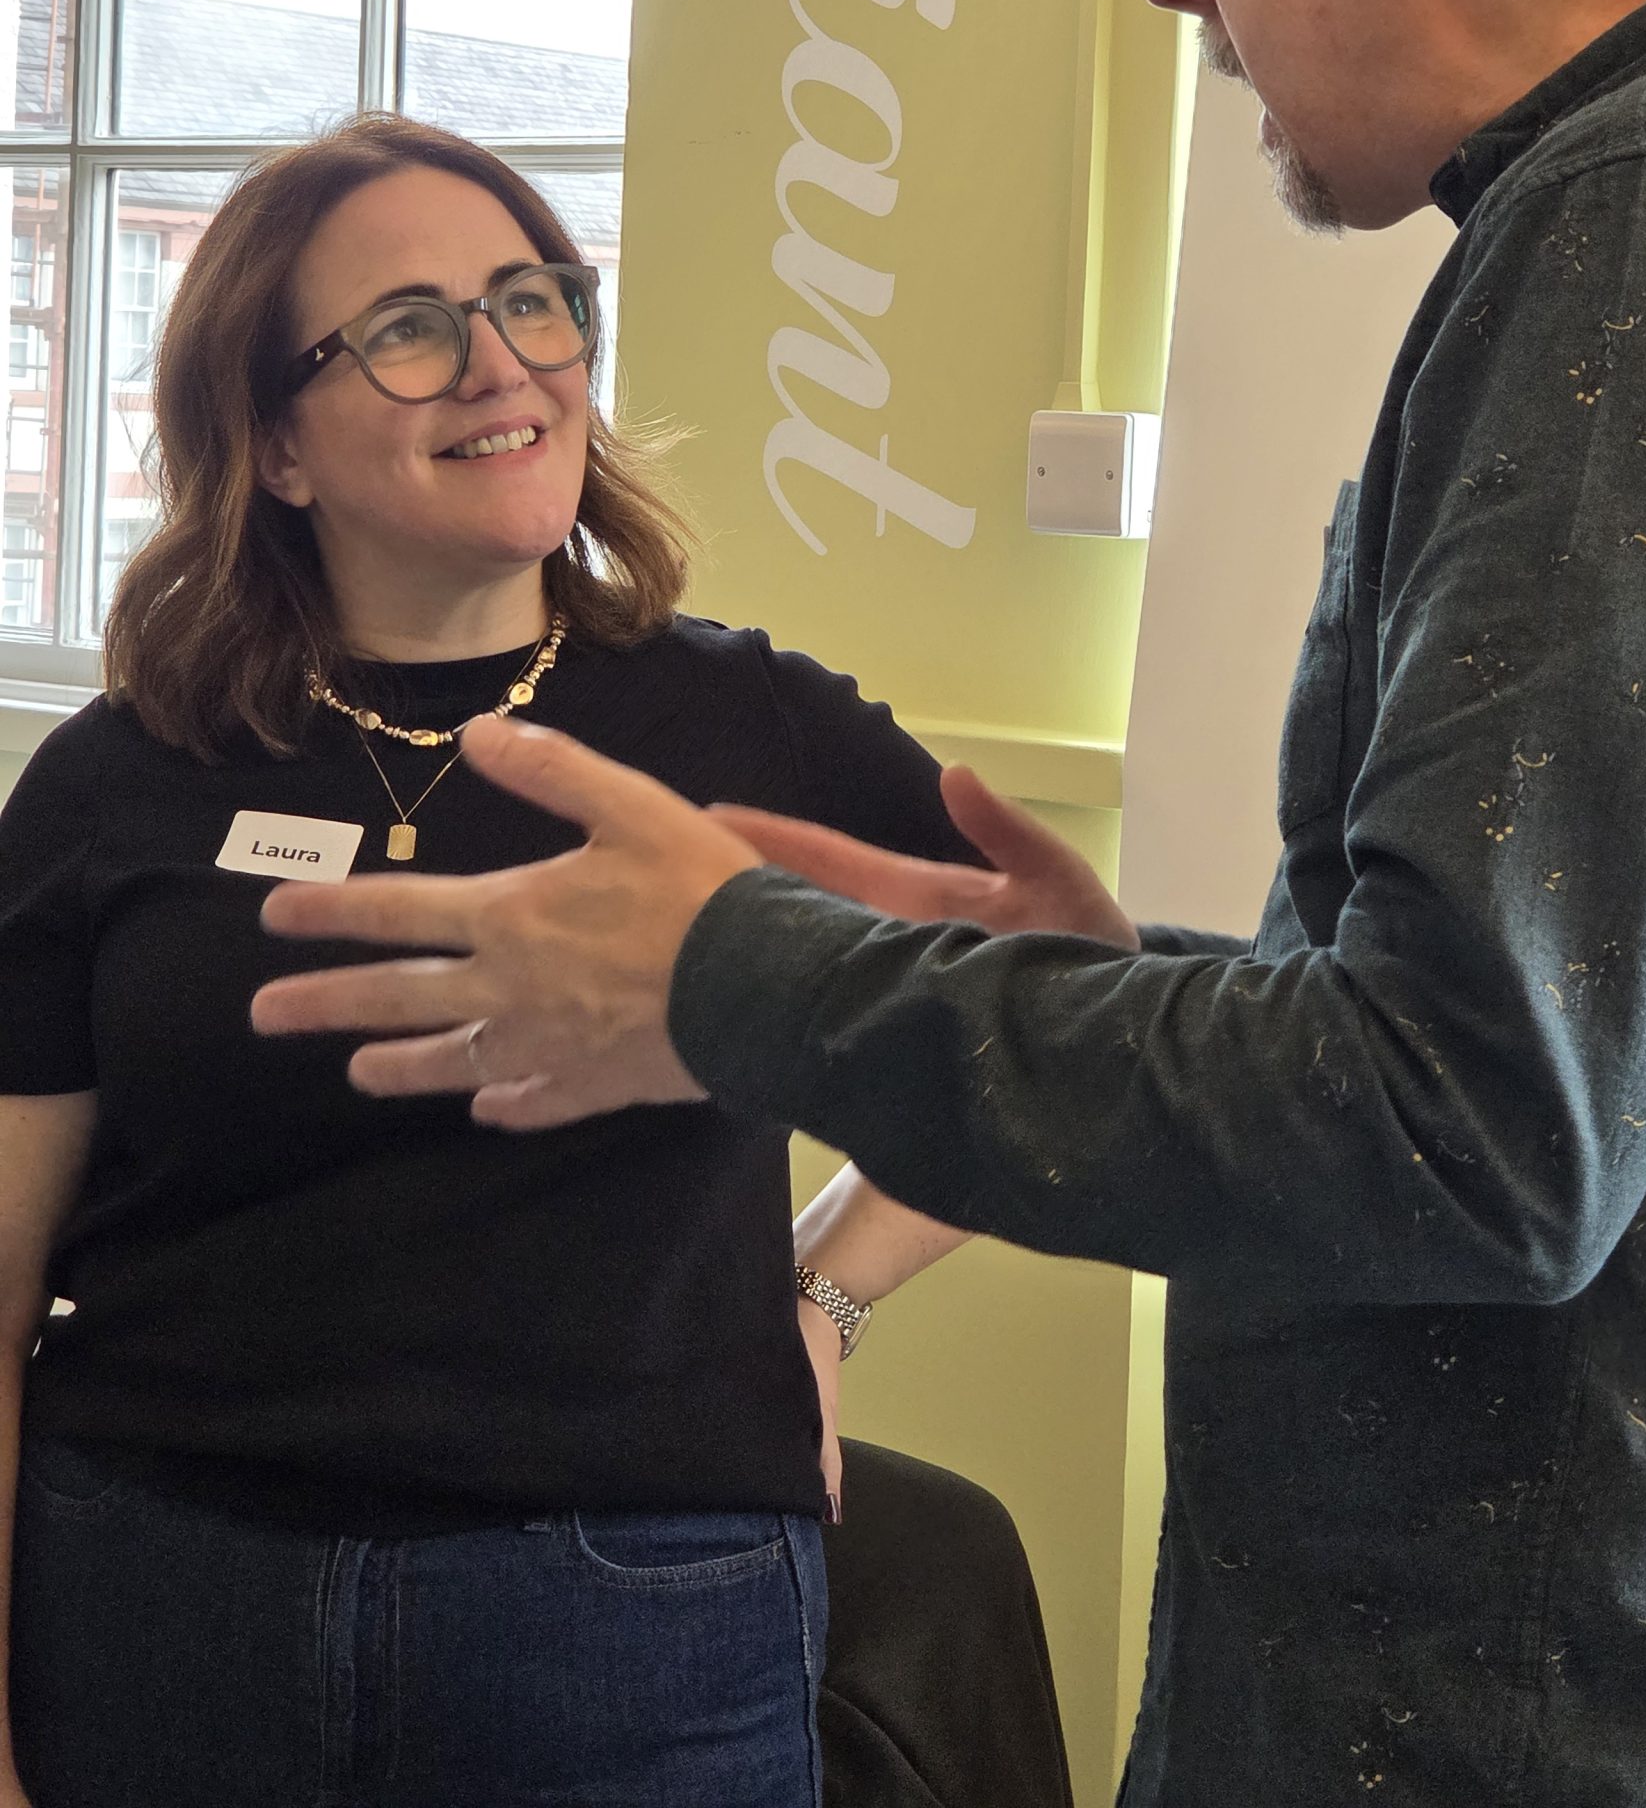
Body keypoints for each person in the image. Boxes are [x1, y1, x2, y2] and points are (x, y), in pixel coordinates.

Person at [252, 0, 1646, 1805]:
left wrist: (725, 972)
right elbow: (1626, 1038)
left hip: (1538, 1716)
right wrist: (1131, 991)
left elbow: (1479, 1132)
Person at [0, 115, 980, 1808]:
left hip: (635, 1621)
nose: (500, 362)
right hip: (164, 1601)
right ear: (276, 445)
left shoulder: (748, 727)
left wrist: (824, 1291)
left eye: (534, 300)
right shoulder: (121, 778)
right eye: (408, 328)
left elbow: (1055, 1009)